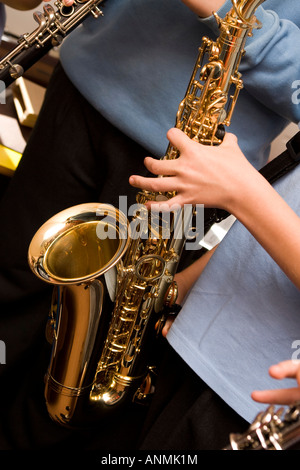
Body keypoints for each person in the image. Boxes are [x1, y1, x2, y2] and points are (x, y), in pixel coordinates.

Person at [0, 0, 299, 451]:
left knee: (81, 365)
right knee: (8, 295)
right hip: (86, 87)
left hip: (195, 172)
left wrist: (222, 9)